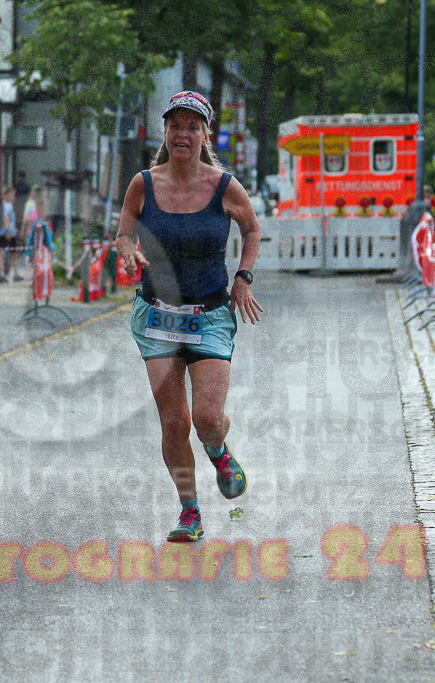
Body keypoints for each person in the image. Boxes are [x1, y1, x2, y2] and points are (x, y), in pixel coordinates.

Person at [115, 90, 263, 543]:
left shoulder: (224, 186)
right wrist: (127, 253)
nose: (183, 133)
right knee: (174, 422)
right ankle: (189, 510)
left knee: (207, 418)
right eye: (175, 125)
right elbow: (123, 232)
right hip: (157, 315)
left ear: (204, 134)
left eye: (192, 126)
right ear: (166, 132)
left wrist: (243, 277)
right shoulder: (143, 183)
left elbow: (252, 228)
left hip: (210, 313)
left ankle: (218, 450)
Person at [0, 186, 18, 282]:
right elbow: (6, 218)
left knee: (6, 253)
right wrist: (8, 231)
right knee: (4, 253)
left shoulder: (5, 205)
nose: (13, 196)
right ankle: (5, 274)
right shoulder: (7, 206)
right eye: (11, 194)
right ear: (6, 195)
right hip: (7, 232)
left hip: (5, 231)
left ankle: (3, 273)